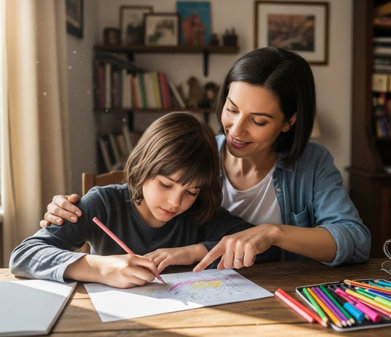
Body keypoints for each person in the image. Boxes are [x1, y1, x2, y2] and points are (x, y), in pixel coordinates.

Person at [40, 47, 371, 271]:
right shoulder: (197, 155)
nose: (236, 131)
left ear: (289, 121)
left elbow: (355, 241)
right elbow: (137, 194)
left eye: (258, 121)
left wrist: (273, 232)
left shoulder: (311, 163)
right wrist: (68, 210)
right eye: (231, 109)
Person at [10, 112, 273, 288]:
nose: (175, 201)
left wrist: (194, 251)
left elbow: (267, 247)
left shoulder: (199, 211)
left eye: (191, 191)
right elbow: (24, 256)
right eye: (165, 184)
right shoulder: (103, 204)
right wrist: (98, 268)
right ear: (144, 166)